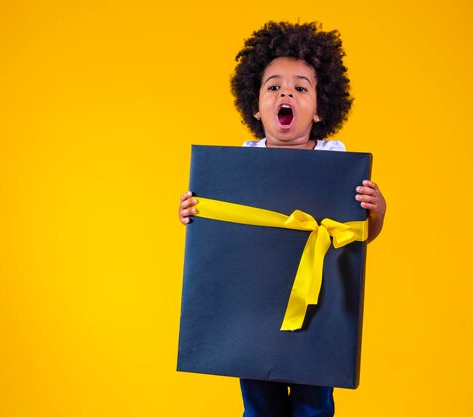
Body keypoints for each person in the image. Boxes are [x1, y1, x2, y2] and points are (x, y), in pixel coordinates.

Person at [178, 21, 386, 417]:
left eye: (300, 88)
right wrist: (193, 212)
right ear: (255, 105)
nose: (285, 93)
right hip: (252, 304)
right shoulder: (240, 162)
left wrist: (377, 211)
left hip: (318, 306)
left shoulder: (336, 161)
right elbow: (219, 227)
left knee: (314, 404)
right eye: (273, 86)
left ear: (321, 107)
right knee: (259, 404)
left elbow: (357, 236)